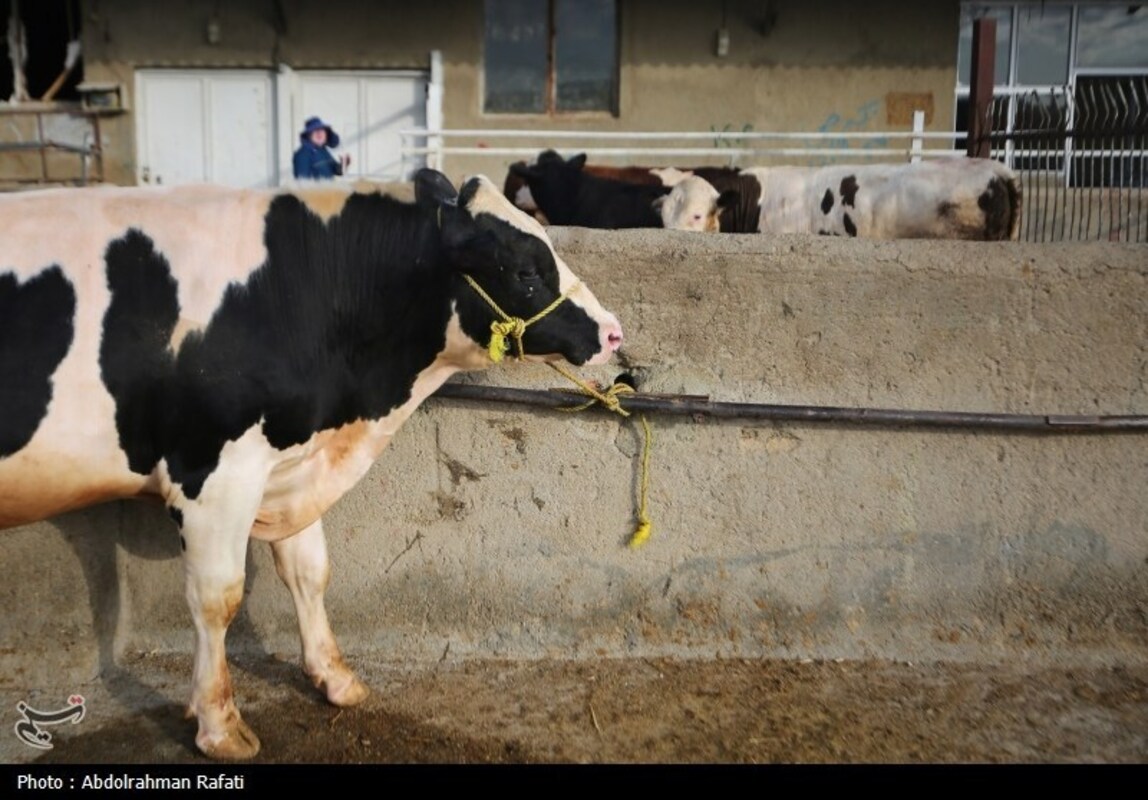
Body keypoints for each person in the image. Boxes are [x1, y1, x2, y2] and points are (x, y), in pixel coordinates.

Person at [292, 116, 351, 180]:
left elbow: (337, 171)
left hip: (329, 189)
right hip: (318, 190)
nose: (319, 133)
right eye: (315, 131)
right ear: (308, 135)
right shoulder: (302, 154)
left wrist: (344, 164)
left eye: (322, 130)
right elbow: (302, 184)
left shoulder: (323, 150)